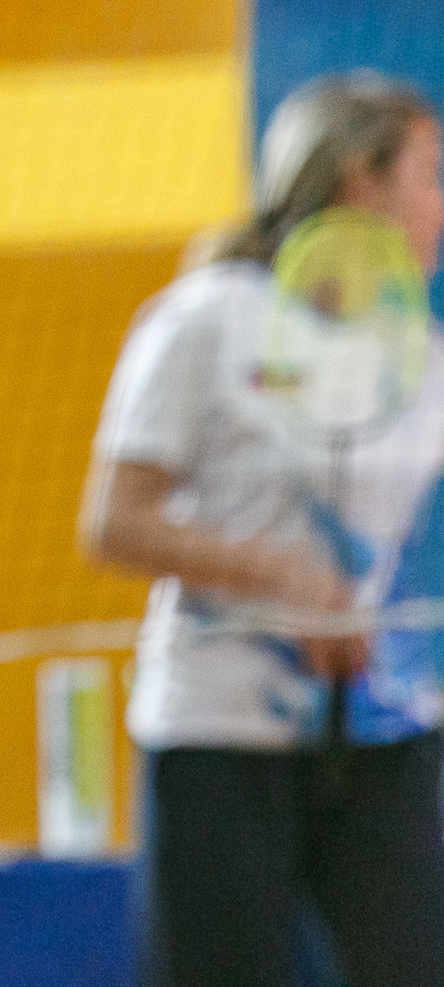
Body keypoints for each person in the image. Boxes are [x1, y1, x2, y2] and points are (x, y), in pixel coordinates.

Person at [80, 70, 444, 987]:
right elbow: (112, 521)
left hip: (382, 729)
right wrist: (276, 576)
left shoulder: (426, 356)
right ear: (362, 182)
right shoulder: (205, 320)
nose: (441, 206)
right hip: (218, 730)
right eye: (429, 175)